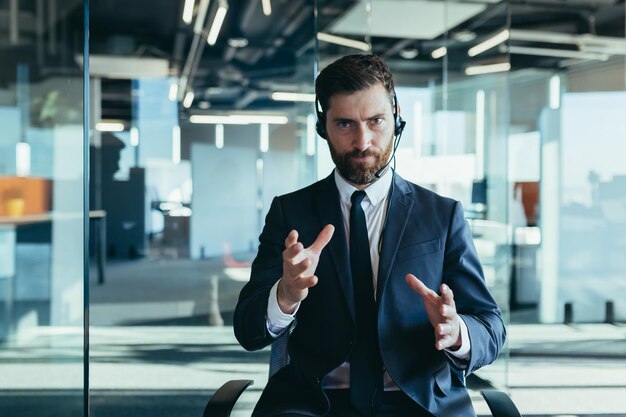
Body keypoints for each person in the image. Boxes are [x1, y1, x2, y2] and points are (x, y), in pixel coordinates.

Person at [234, 54, 506, 417]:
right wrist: (283, 296)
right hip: (316, 402)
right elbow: (248, 331)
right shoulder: (291, 213)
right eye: (345, 124)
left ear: (396, 118)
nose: (363, 142)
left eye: (376, 121)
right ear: (322, 127)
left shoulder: (442, 215)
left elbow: (490, 326)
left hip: (418, 401)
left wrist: (456, 331)